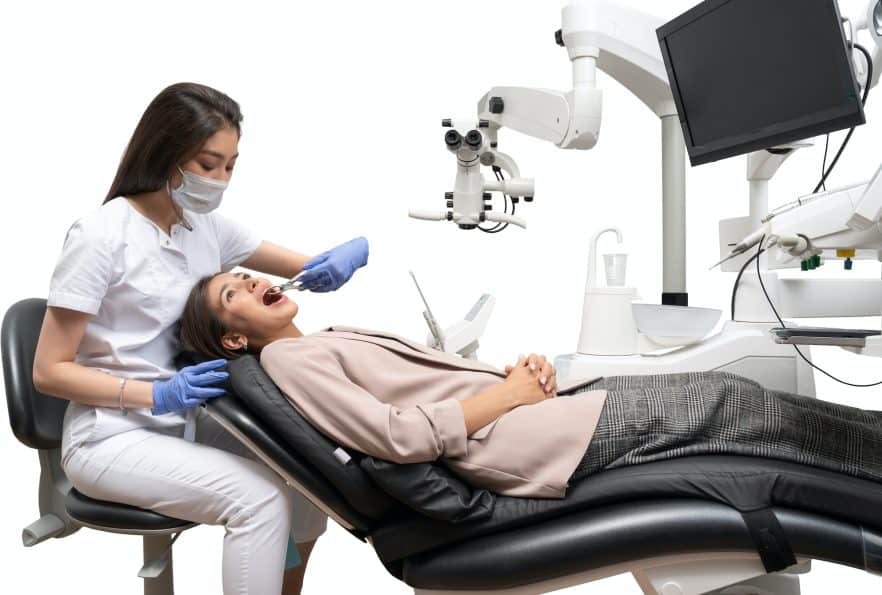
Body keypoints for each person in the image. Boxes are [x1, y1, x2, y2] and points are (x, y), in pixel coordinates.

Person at [32, 82, 369, 595]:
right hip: (110, 437)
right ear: (166, 152)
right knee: (257, 500)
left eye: (230, 166)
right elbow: (48, 371)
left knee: (310, 480)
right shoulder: (101, 236)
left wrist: (345, 256)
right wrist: (154, 394)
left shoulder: (204, 228)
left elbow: (306, 268)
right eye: (208, 164)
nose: (220, 180)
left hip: (187, 421)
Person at [179, 270, 882, 500]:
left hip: (534, 415)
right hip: (522, 440)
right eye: (235, 293)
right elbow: (396, 438)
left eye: (249, 275)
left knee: (741, 403)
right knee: (735, 402)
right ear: (234, 336)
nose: (256, 282)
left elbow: (421, 395)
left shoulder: (319, 344)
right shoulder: (289, 364)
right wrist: (511, 395)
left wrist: (520, 376)